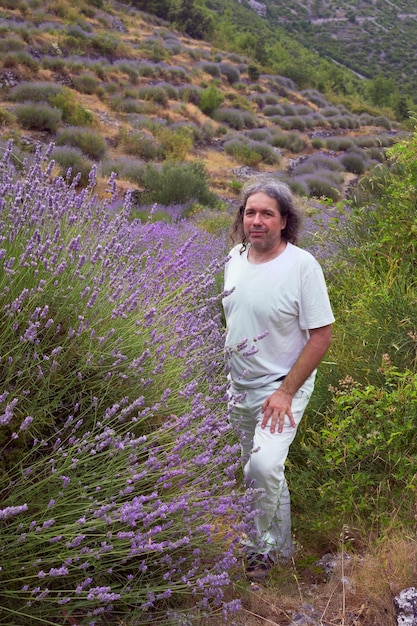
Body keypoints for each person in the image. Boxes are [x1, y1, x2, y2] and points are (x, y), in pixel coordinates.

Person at [223, 175, 334, 582]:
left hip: (283, 387)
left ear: (284, 220)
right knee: (264, 470)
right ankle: (281, 548)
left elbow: (322, 335)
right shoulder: (234, 257)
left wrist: (286, 391)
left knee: (262, 465)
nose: (257, 220)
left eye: (267, 213)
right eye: (250, 212)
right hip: (239, 386)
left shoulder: (302, 266)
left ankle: (258, 551)